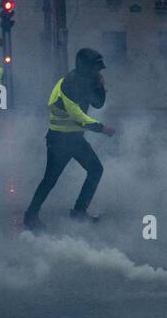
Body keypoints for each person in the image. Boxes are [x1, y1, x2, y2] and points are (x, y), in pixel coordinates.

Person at [23, 48, 114, 230]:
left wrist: (100, 85)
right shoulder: (70, 83)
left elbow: (97, 102)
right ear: (85, 67)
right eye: (95, 69)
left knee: (96, 170)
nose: (98, 72)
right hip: (60, 141)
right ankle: (30, 216)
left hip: (74, 139)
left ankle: (79, 212)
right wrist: (101, 128)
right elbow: (77, 115)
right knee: (50, 180)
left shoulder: (85, 80)